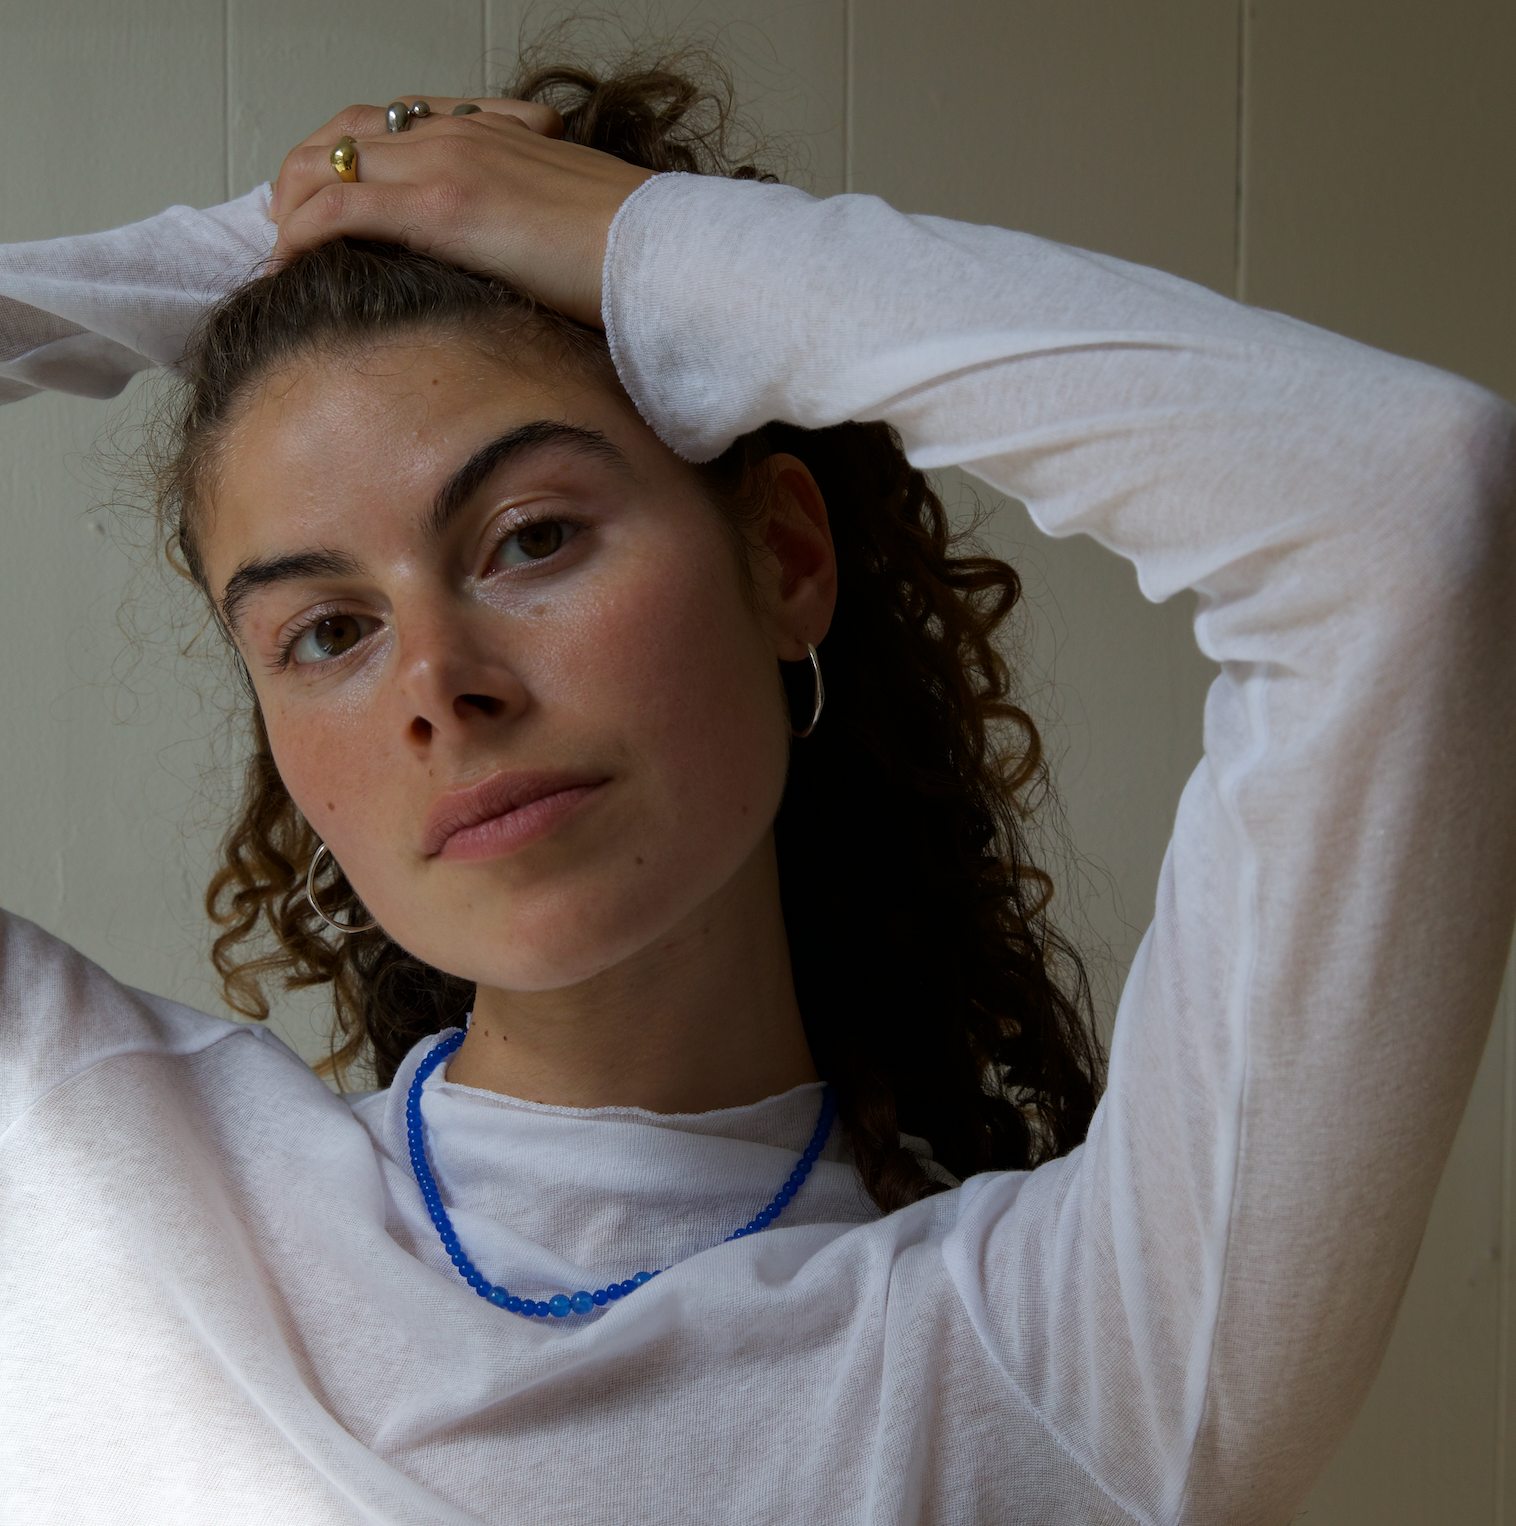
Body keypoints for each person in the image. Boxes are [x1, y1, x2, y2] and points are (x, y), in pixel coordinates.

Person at [1, 52, 1513, 1526]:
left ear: (784, 559)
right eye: (327, 631)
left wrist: (639, 242)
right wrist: (275, 235)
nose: (438, 684)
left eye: (531, 536)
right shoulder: (91, 1164)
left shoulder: (1068, 1367)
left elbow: (1406, 504)